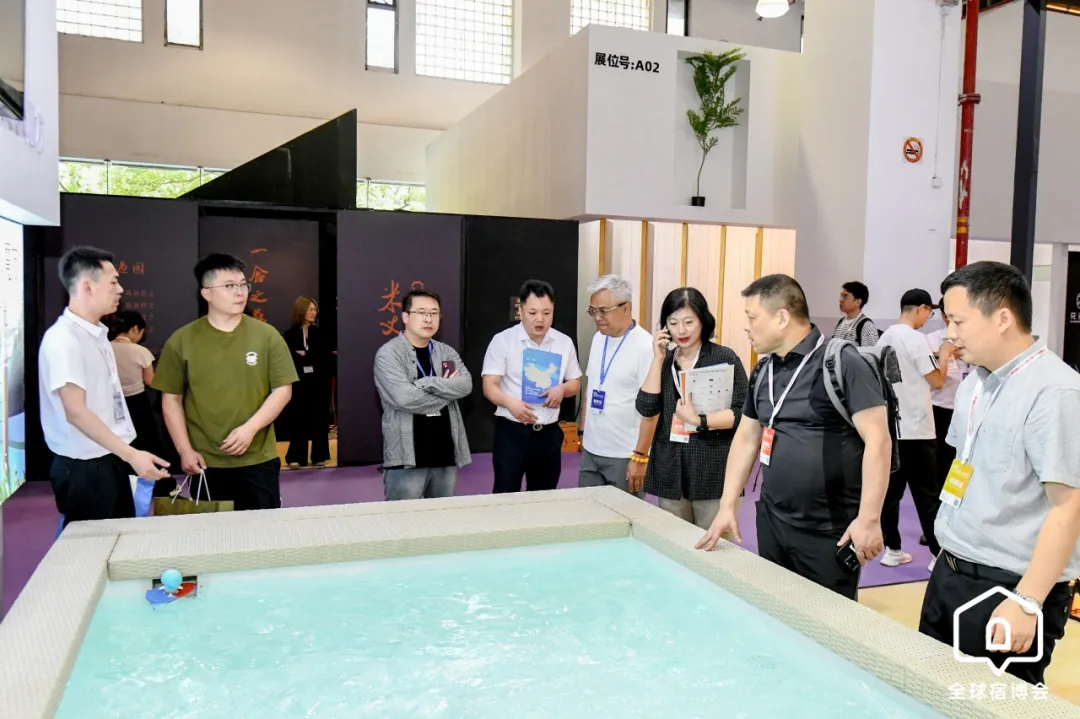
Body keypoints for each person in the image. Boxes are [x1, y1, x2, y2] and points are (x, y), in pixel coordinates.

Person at [918, 261, 1080, 686]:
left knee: (989, 706)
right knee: (927, 694)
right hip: (951, 570)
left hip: (1007, 588)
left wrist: (1027, 601)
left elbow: (1068, 507)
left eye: (958, 321)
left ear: (1003, 318)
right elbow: (965, 468)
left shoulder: (1055, 391)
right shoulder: (975, 383)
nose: (949, 333)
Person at [697, 274, 890, 601]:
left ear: (782, 318)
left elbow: (879, 440)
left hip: (827, 532)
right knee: (776, 612)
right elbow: (747, 437)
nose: (747, 327)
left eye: (752, 318)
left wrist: (869, 519)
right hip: (772, 523)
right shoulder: (764, 370)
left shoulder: (841, 362)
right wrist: (727, 504)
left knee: (827, 622)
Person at [152, 253, 297, 511]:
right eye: (229, 286)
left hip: (258, 459)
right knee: (213, 533)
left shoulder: (267, 336)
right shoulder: (181, 341)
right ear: (207, 293)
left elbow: (283, 390)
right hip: (205, 462)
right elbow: (171, 399)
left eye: (243, 285)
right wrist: (184, 450)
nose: (240, 292)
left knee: (264, 531)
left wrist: (250, 429)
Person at [38, 247, 170, 527]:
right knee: (90, 546)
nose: (120, 290)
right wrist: (132, 455)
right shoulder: (64, 340)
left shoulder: (97, 335)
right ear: (87, 286)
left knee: (118, 537)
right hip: (85, 467)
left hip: (108, 458)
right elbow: (75, 411)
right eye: (113, 282)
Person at [635, 288, 748, 528]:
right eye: (673, 323)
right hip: (671, 471)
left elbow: (742, 413)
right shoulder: (665, 362)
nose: (681, 330)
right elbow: (646, 407)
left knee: (713, 543)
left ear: (702, 321)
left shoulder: (724, 358)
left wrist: (700, 420)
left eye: (688, 322)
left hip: (712, 469)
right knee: (674, 541)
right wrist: (657, 359)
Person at [874, 289, 954, 568]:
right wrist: (945, 355)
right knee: (927, 495)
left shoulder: (885, 337)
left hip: (891, 428)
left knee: (890, 494)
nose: (928, 318)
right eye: (928, 313)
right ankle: (937, 554)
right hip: (917, 429)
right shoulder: (916, 339)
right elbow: (938, 381)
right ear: (921, 308)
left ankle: (893, 550)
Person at [482, 280, 582, 493]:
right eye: (533, 313)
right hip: (512, 432)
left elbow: (575, 382)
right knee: (505, 494)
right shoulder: (503, 341)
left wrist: (562, 390)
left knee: (544, 496)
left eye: (547, 313)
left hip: (548, 433)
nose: (540, 319)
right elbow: (489, 386)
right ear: (520, 310)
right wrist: (510, 403)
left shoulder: (564, 342)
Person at [374, 288, 472, 500]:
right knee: (403, 518)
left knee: (442, 517)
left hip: (445, 453)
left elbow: (465, 385)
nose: (429, 319)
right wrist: (447, 391)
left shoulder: (446, 351)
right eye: (421, 312)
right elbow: (404, 398)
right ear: (405, 317)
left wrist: (427, 382)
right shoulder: (388, 354)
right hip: (407, 458)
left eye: (434, 313)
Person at [108, 310, 175, 497]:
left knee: (117, 445)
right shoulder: (141, 352)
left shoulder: (105, 348)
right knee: (147, 443)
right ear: (135, 329)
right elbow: (150, 381)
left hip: (112, 404)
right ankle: (161, 487)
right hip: (137, 403)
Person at [282, 297, 332, 468]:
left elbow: (324, 356)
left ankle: (319, 456)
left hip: (319, 382)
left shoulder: (320, 333)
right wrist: (301, 356)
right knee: (298, 418)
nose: (313, 312)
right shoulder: (290, 334)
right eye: (310, 309)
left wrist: (305, 355)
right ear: (301, 311)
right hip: (298, 382)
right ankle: (296, 457)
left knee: (320, 418)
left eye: (315, 309)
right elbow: (287, 356)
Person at [833, 281, 879, 347]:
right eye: (841, 296)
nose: (841, 300)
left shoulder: (867, 326)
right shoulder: (840, 322)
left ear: (858, 302)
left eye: (845, 297)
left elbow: (871, 353)